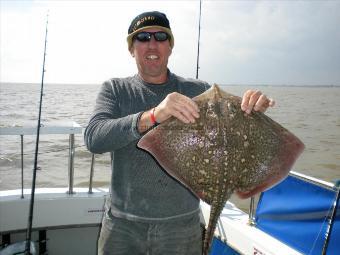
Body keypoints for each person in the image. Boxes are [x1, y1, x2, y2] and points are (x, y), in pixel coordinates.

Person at [84, 11, 275, 255]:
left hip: (181, 227)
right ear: (132, 49)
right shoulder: (116, 89)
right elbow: (94, 138)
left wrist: (252, 109)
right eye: (142, 37)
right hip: (123, 225)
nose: (152, 44)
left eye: (161, 37)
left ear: (170, 47)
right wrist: (154, 115)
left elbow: (231, 136)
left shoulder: (198, 90)